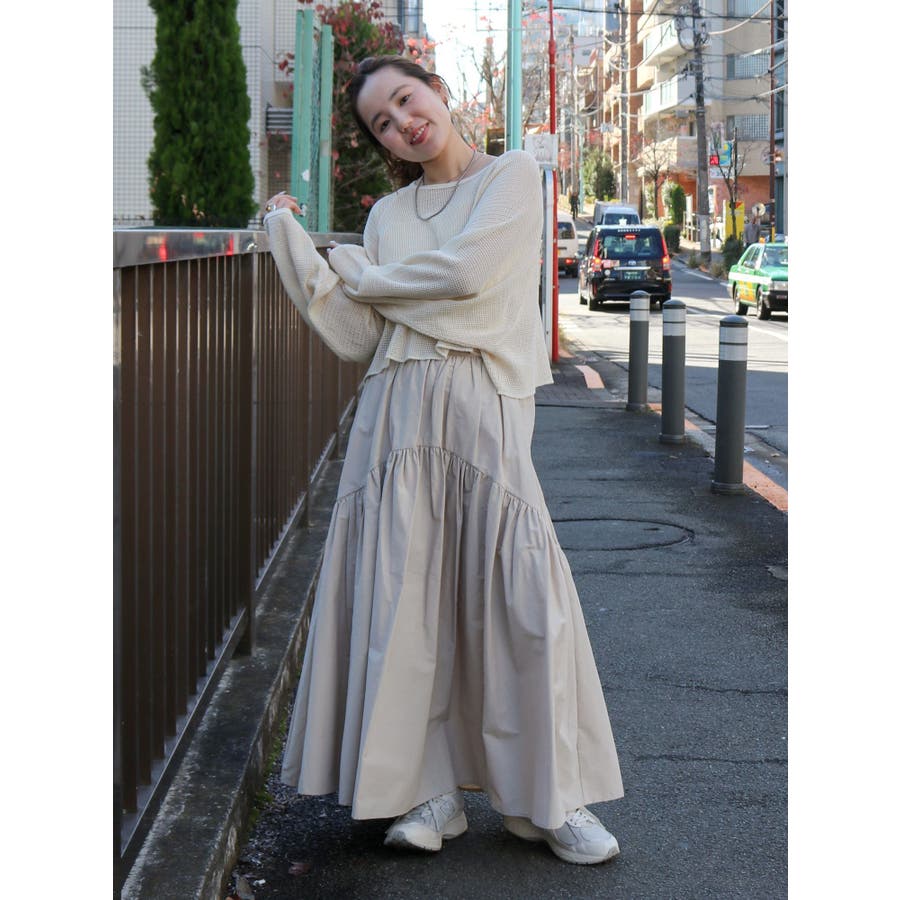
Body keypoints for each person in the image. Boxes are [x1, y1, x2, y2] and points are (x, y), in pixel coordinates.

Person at [261, 54, 623, 866]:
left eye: (406, 99)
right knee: (405, 604)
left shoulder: (512, 175)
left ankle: (551, 798)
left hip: (483, 404)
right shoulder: (388, 215)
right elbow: (360, 333)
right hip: (394, 416)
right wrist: (297, 249)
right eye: (382, 124)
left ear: (439, 90)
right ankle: (424, 791)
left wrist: (363, 274)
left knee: (523, 603)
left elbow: (465, 276)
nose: (403, 123)